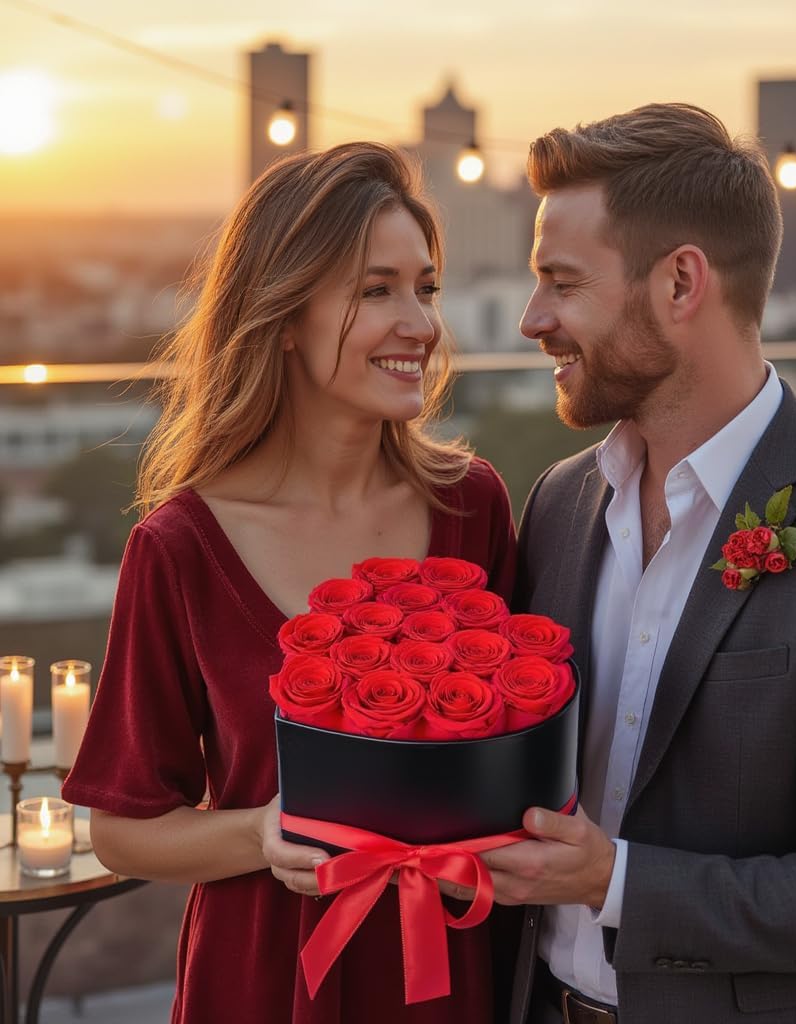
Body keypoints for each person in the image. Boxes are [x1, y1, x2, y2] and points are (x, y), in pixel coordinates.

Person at [475, 104, 796, 1024]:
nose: (531, 318)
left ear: (679, 283)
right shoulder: (557, 502)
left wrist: (610, 878)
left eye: (562, 281)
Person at [62, 142, 517, 1024]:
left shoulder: (475, 507)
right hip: (263, 977)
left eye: (425, 288)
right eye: (375, 289)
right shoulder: (180, 547)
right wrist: (261, 834)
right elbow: (120, 830)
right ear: (283, 313)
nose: (419, 323)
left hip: (448, 972)